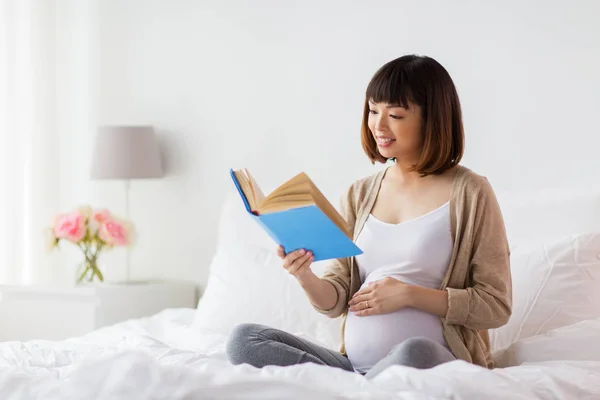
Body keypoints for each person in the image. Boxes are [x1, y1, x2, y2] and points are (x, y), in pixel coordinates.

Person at [226, 54, 512, 379]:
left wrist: (409, 294)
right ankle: (362, 389)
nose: (378, 125)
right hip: (353, 368)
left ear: (432, 118)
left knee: (414, 351)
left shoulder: (471, 193)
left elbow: (495, 304)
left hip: (429, 360)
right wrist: (304, 274)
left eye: (395, 114)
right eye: (373, 110)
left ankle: (355, 390)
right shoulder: (359, 194)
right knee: (244, 341)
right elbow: (335, 300)